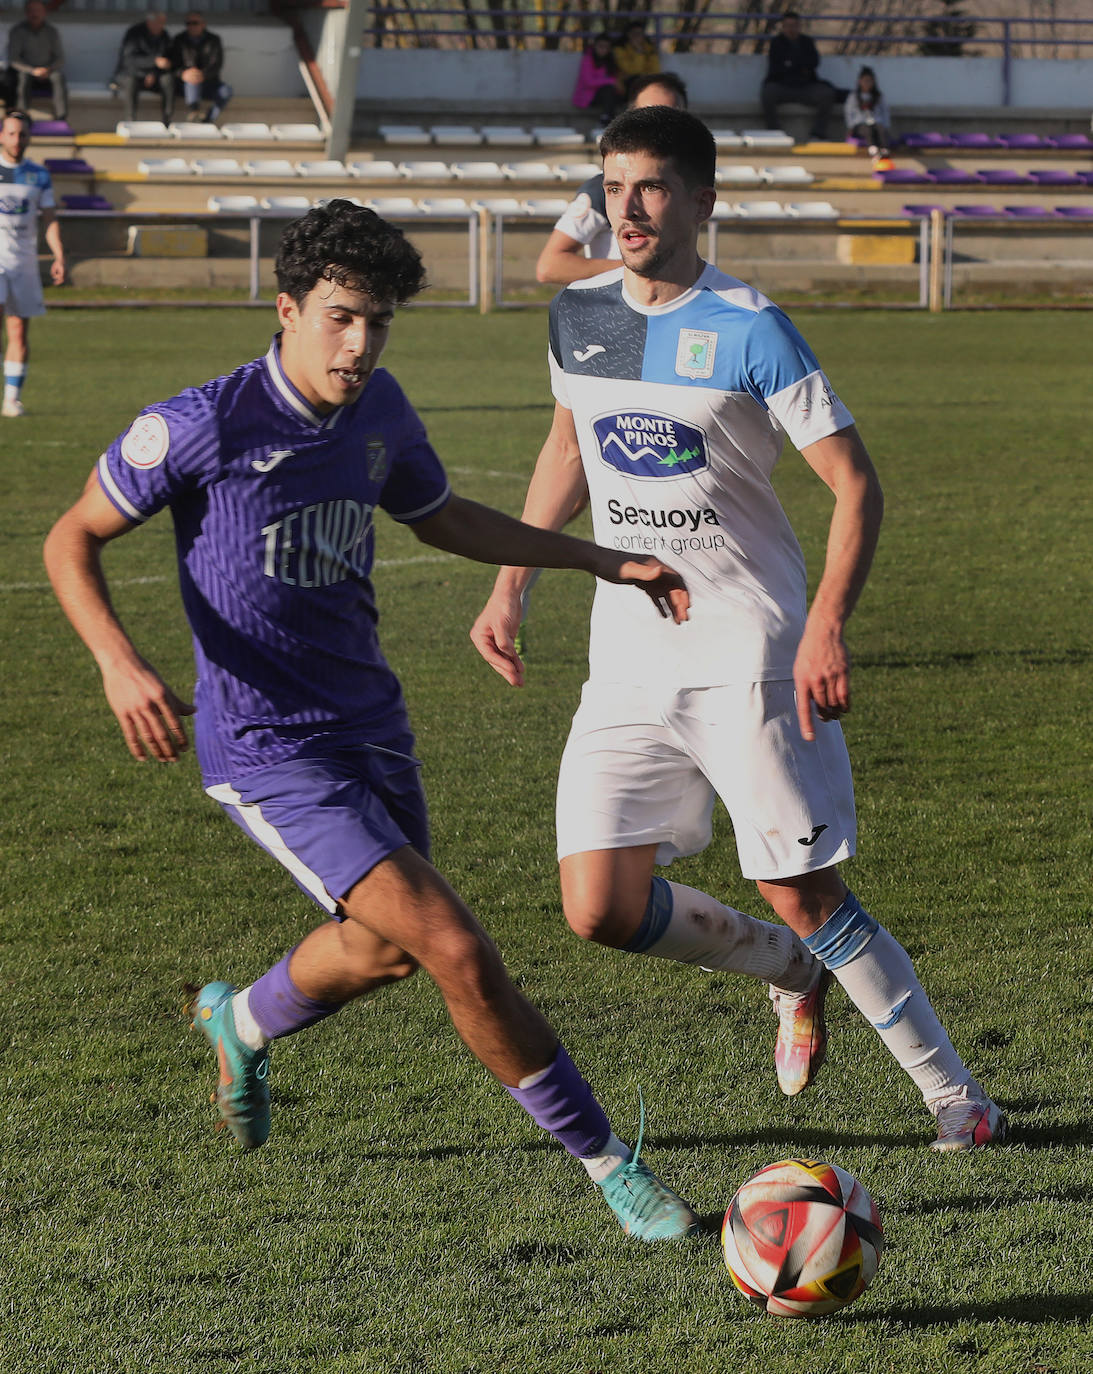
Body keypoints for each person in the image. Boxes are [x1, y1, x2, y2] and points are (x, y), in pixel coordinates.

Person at [42, 198, 706, 1242]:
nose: (359, 345)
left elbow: (438, 514)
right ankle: (608, 1165)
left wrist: (596, 559)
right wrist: (121, 666)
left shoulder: (380, 409)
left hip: (371, 723)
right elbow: (68, 540)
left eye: (378, 323)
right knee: (453, 947)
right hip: (266, 750)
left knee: (385, 950)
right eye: (341, 318)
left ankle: (241, 1018)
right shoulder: (202, 422)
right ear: (288, 308)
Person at [471, 107, 1005, 1153]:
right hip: (625, 658)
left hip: (747, 650)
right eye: (614, 185)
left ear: (703, 202)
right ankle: (787, 975)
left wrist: (824, 628)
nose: (626, 207)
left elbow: (854, 487)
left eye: (652, 186)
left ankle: (957, 1096)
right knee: (598, 905)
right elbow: (570, 449)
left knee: (798, 887)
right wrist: (509, 586)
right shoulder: (584, 315)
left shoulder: (749, 327)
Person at [0, 110, 64, 418]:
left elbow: (49, 219)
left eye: (22, 134)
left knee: (18, 330)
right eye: (11, 133)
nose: (16, 140)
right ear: (1, 136)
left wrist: (58, 254)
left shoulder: (38, 175)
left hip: (23, 262)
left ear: (29, 137)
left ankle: (11, 400)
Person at [760, 10, 835, 142]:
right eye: (788, 26)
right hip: (783, 86)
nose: (791, 29)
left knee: (827, 93)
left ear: (799, 26)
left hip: (806, 87)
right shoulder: (776, 43)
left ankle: (818, 133)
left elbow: (813, 63)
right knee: (767, 93)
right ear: (783, 27)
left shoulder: (807, 42)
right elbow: (777, 68)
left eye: (794, 25)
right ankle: (775, 132)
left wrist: (791, 64)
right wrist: (798, 66)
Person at [6, 0, 68, 123]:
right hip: (27, 71)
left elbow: (60, 58)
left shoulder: (51, 32)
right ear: (26, 13)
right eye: (31, 11)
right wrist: (32, 70)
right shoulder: (18, 31)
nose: (35, 14)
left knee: (59, 77)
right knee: (22, 78)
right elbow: (14, 59)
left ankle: (61, 118)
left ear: (44, 12)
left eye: (38, 11)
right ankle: (22, 116)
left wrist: (48, 69)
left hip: (48, 71)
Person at [169, 10, 232, 125]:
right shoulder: (179, 40)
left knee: (226, 91)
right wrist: (183, 73)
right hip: (185, 85)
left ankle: (208, 119)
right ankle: (194, 111)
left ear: (203, 24)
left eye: (195, 23)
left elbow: (217, 64)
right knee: (192, 78)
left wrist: (203, 74)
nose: (192, 26)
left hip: (209, 82)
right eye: (188, 23)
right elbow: (173, 65)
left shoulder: (213, 40)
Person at [113, 10, 174, 125]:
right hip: (132, 74)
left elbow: (168, 59)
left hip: (154, 77)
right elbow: (128, 60)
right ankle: (130, 121)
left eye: (163, 23)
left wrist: (153, 74)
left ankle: (167, 120)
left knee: (168, 79)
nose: (161, 26)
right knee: (130, 81)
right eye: (158, 22)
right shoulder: (134, 34)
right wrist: (151, 65)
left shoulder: (164, 35)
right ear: (149, 22)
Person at [571, 32, 625, 127]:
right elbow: (589, 82)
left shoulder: (610, 61)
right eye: (601, 46)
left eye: (607, 47)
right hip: (588, 97)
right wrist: (611, 81)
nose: (603, 50)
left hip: (606, 96)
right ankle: (605, 120)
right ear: (595, 46)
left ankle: (609, 118)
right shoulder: (588, 59)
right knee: (608, 90)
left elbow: (615, 78)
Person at [844, 66, 891, 157]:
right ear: (860, 81)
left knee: (880, 129)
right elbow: (848, 112)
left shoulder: (878, 96)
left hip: (876, 122)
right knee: (867, 130)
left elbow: (885, 112)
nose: (867, 83)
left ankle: (885, 149)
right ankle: (872, 148)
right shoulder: (854, 96)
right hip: (860, 124)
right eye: (865, 80)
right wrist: (850, 126)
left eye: (870, 81)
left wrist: (886, 125)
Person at [613, 21, 661, 98]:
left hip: (646, 80)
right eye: (635, 34)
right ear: (628, 35)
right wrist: (638, 52)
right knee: (637, 81)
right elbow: (632, 70)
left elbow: (656, 69)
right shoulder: (620, 49)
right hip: (627, 83)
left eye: (640, 33)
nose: (638, 36)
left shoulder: (649, 48)